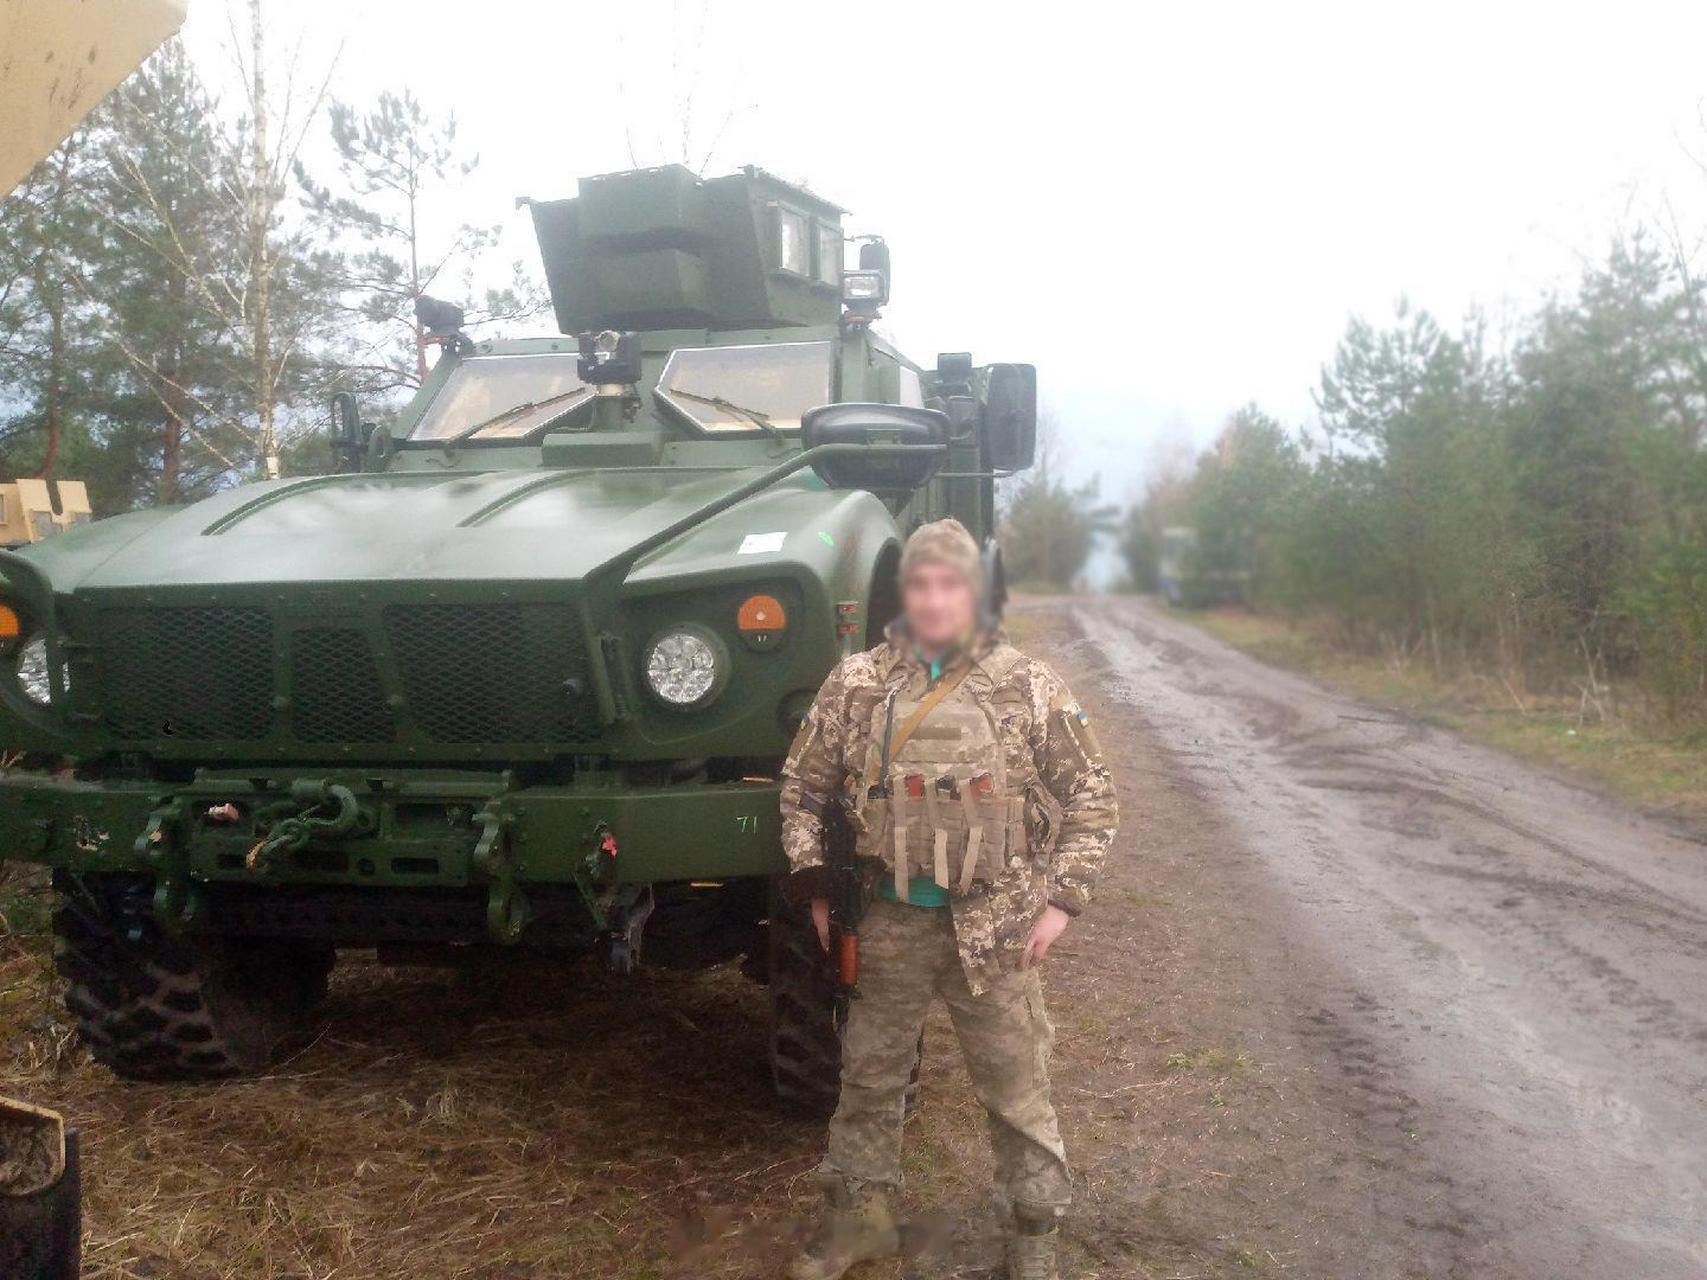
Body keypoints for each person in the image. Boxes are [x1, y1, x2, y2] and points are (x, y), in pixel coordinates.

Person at [778, 518, 1119, 1280]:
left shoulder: (1026, 686)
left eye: (951, 585)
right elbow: (803, 791)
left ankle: (1033, 1234)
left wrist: (1061, 899)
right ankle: (860, 1220)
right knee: (867, 1078)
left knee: (1014, 1086)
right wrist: (817, 884)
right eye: (921, 585)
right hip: (887, 918)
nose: (934, 600)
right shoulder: (858, 683)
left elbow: (1091, 796)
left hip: (996, 926)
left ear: (975, 593)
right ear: (905, 593)